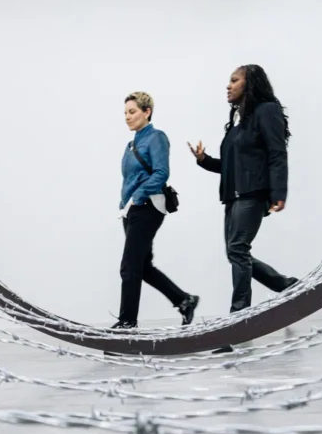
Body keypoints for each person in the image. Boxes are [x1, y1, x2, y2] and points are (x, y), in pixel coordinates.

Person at [188, 65, 298, 316]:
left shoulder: (267, 111)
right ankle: (285, 285)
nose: (228, 86)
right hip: (233, 197)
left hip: (253, 194)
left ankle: (239, 315)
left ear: (249, 85)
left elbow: (277, 154)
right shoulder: (238, 123)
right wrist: (204, 160)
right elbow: (230, 166)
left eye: (234, 80)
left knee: (237, 250)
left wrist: (279, 193)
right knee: (235, 252)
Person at [113, 92, 199, 330]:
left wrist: (138, 196)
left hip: (148, 207)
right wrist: (125, 204)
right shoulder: (131, 144)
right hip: (130, 211)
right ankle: (184, 300)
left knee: (129, 266)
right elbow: (130, 178)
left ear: (146, 111)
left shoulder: (157, 137)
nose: (127, 117)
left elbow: (161, 173)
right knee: (142, 267)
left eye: (132, 112)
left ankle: (127, 321)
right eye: (125, 113)